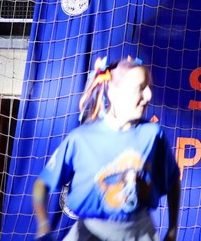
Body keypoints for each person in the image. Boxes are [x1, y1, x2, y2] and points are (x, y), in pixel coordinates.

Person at [33, 55, 181, 241]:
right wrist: (43, 226)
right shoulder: (81, 138)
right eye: (140, 88)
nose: (149, 96)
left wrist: (172, 229)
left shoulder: (153, 135)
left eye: (149, 87)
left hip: (140, 233)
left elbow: (173, 181)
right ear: (113, 93)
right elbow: (42, 184)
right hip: (88, 234)